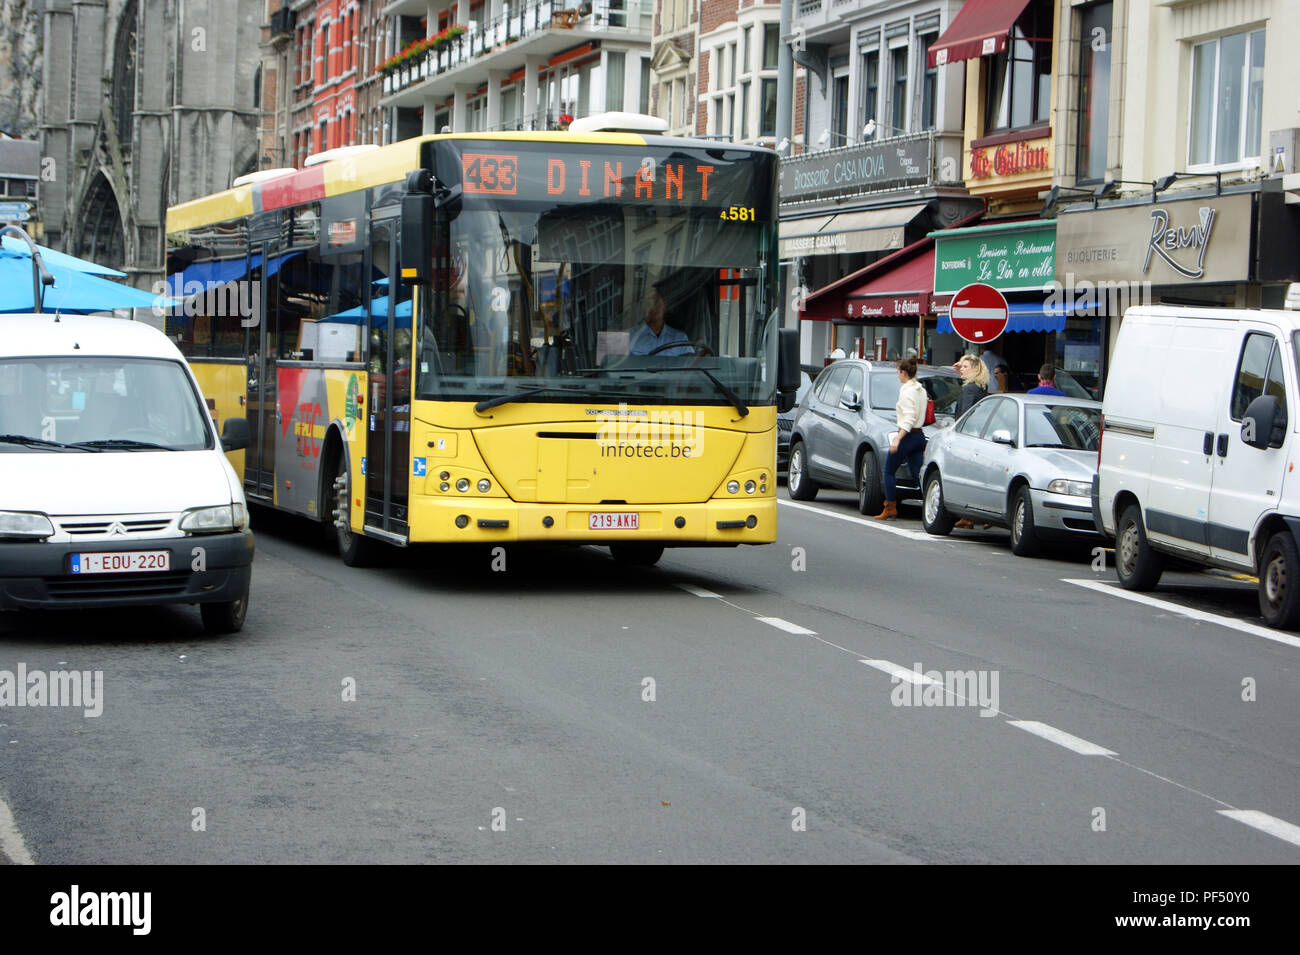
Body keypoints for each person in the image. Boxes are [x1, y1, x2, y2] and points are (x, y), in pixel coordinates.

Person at [871, 357, 927, 522]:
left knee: (888, 470)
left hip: (907, 436)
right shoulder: (920, 390)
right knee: (918, 474)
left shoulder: (906, 391)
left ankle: (890, 507)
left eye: (898, 372)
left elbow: (909, 418)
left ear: (903, 372)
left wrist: (897, 439)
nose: (898, 375)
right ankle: (932, 505)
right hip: (919, 435)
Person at [630, 286, 692, 356]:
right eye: (648, 304)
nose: (653, 308)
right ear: (643, 307)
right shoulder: (630, 337)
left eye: (656, 302)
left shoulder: (680, 339)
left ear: (664, 305)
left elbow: (690, 364)